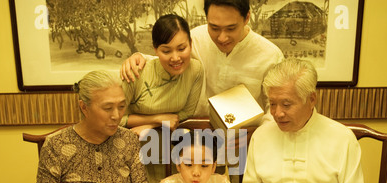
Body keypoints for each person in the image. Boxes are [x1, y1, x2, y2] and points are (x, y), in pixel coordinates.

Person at [239, 58, 368, 183]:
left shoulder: (342, 138)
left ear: (311, 99)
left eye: (286, 104)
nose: (277, 113)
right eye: (272, 104)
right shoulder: (261, 135)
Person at [121, 0, 284, 117]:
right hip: (193, 139)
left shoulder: (270, 56)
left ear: (247, 18)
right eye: (214, 28)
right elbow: (173, 58)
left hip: (241, 143)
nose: (222, 37)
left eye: (231, 28)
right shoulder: (196, 37)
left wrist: (253, 134)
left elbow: (274, 112)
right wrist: (139, 58)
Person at [36, 70, 151, 183]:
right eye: (107, 108)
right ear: (84, 107)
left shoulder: (129, 139)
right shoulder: (56, 144)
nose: (116, 116)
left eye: (121, 107)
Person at [120, 14, 204, 136]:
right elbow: (115, 119)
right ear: (155, 49)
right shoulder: (136, 71)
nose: (175, 58)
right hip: (131, 136)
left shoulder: (195, 70)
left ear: (190, 44)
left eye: (181, 49)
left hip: (169, 134)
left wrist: (152, 125)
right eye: (166, 51)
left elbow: (187, 113)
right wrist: (157, 119)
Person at [150, 130, 239, 183]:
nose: (196, 173)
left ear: (213, 167)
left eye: (204, 165)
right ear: (178, 164)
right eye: (188, 164)